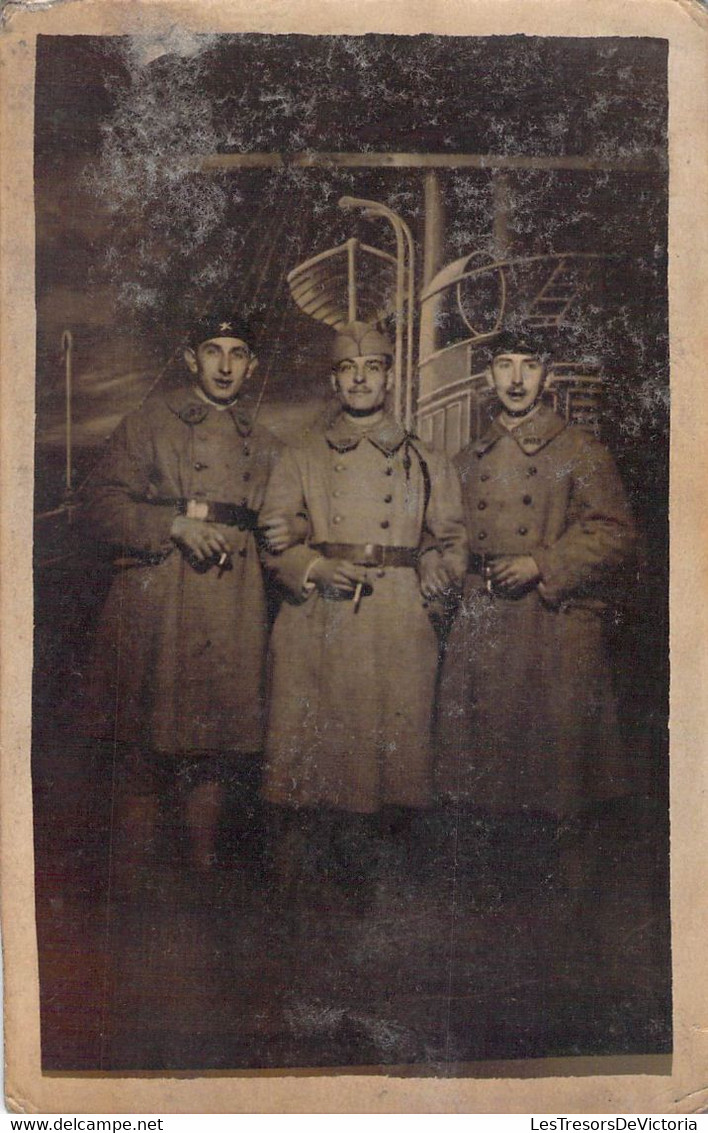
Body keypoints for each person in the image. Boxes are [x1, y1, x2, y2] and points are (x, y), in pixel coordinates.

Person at [259, 320, 467, 902]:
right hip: (317, 621)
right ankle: (302, 906)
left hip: (397, 622)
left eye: (372, 367)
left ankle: (382, 909)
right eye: (348, 370)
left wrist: (434, 565)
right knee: (313, 767)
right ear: (334, 380)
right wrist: (314, 568)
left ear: (389, 376)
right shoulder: (299, 456)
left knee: (390, 768)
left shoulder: (428, 460)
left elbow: (451, 542)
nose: (360, 380)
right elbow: (274, 542)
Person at [83, 310, 287, 880]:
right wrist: (173, 525)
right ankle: (134, 884)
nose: (225, 365)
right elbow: (98, 504)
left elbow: (285, 525)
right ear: (190, 358)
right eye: (213, 351)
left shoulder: (268, 444)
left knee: (214, 749)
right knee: (145, 749)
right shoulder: (150, 421)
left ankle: (201, 878)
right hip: (159, 602)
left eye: (238, 353)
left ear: (252, 365)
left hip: (231, 603)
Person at [436, 329, 637, 899]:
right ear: (487, 378)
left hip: (549, 626)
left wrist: (542, 563)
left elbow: (616, 533)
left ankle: (563, 920)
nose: (518, 379)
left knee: (558, 777)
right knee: (487, 774)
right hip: (484, 622)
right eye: (505, 365)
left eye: (530, 366)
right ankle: (497, 913)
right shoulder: (466, 458)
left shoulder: (579, 450)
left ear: (548, 377)